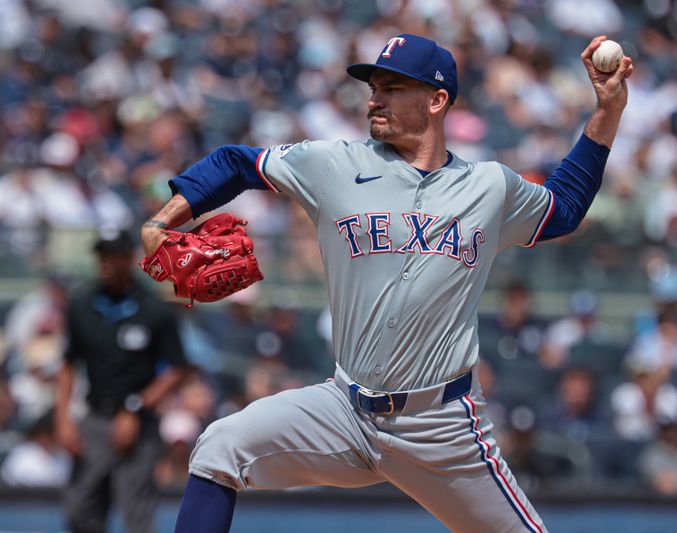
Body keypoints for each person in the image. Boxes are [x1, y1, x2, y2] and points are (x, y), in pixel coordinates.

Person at [141, 33, 633, 533]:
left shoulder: (489, 186)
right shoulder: (334, 164)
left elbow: (565, 207)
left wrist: (608, 110)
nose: (374, 98)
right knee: (220, 446)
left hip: (440, 426)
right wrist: (163, 220)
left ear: (437, 100)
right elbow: (235, 163)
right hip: (345, 410)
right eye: (374, 86)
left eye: (394, 87)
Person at [54, 228, 190, 533]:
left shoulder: (153, 309)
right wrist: (63, 418)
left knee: (137, 515)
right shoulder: (82, 305)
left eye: (111, 255)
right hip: (95, 420)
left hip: (139, 426)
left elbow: (178, 369)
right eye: (101, 254)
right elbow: (67, 363)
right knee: (80, 512)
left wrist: (136, 407)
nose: (104, 262)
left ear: (129, 258)